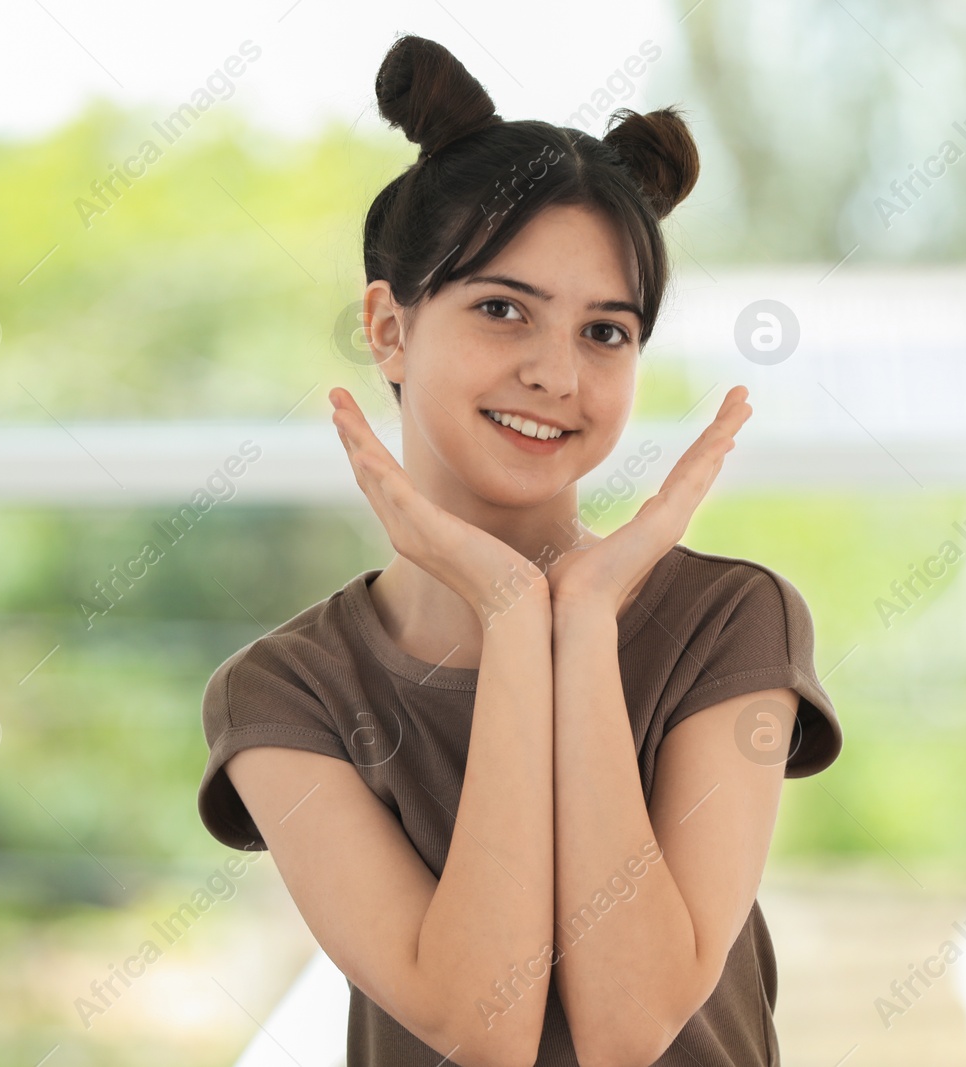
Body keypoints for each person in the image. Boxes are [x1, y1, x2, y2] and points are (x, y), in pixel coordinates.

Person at [196, 33, 842, 1067]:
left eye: (605, 332)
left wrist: (579, 623)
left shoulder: (732, 624)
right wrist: (510, 612)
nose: (555, 373)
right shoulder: (288, 693)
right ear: (390, 327)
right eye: (503, 309)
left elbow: (631, 1024)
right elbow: (481, 1024)